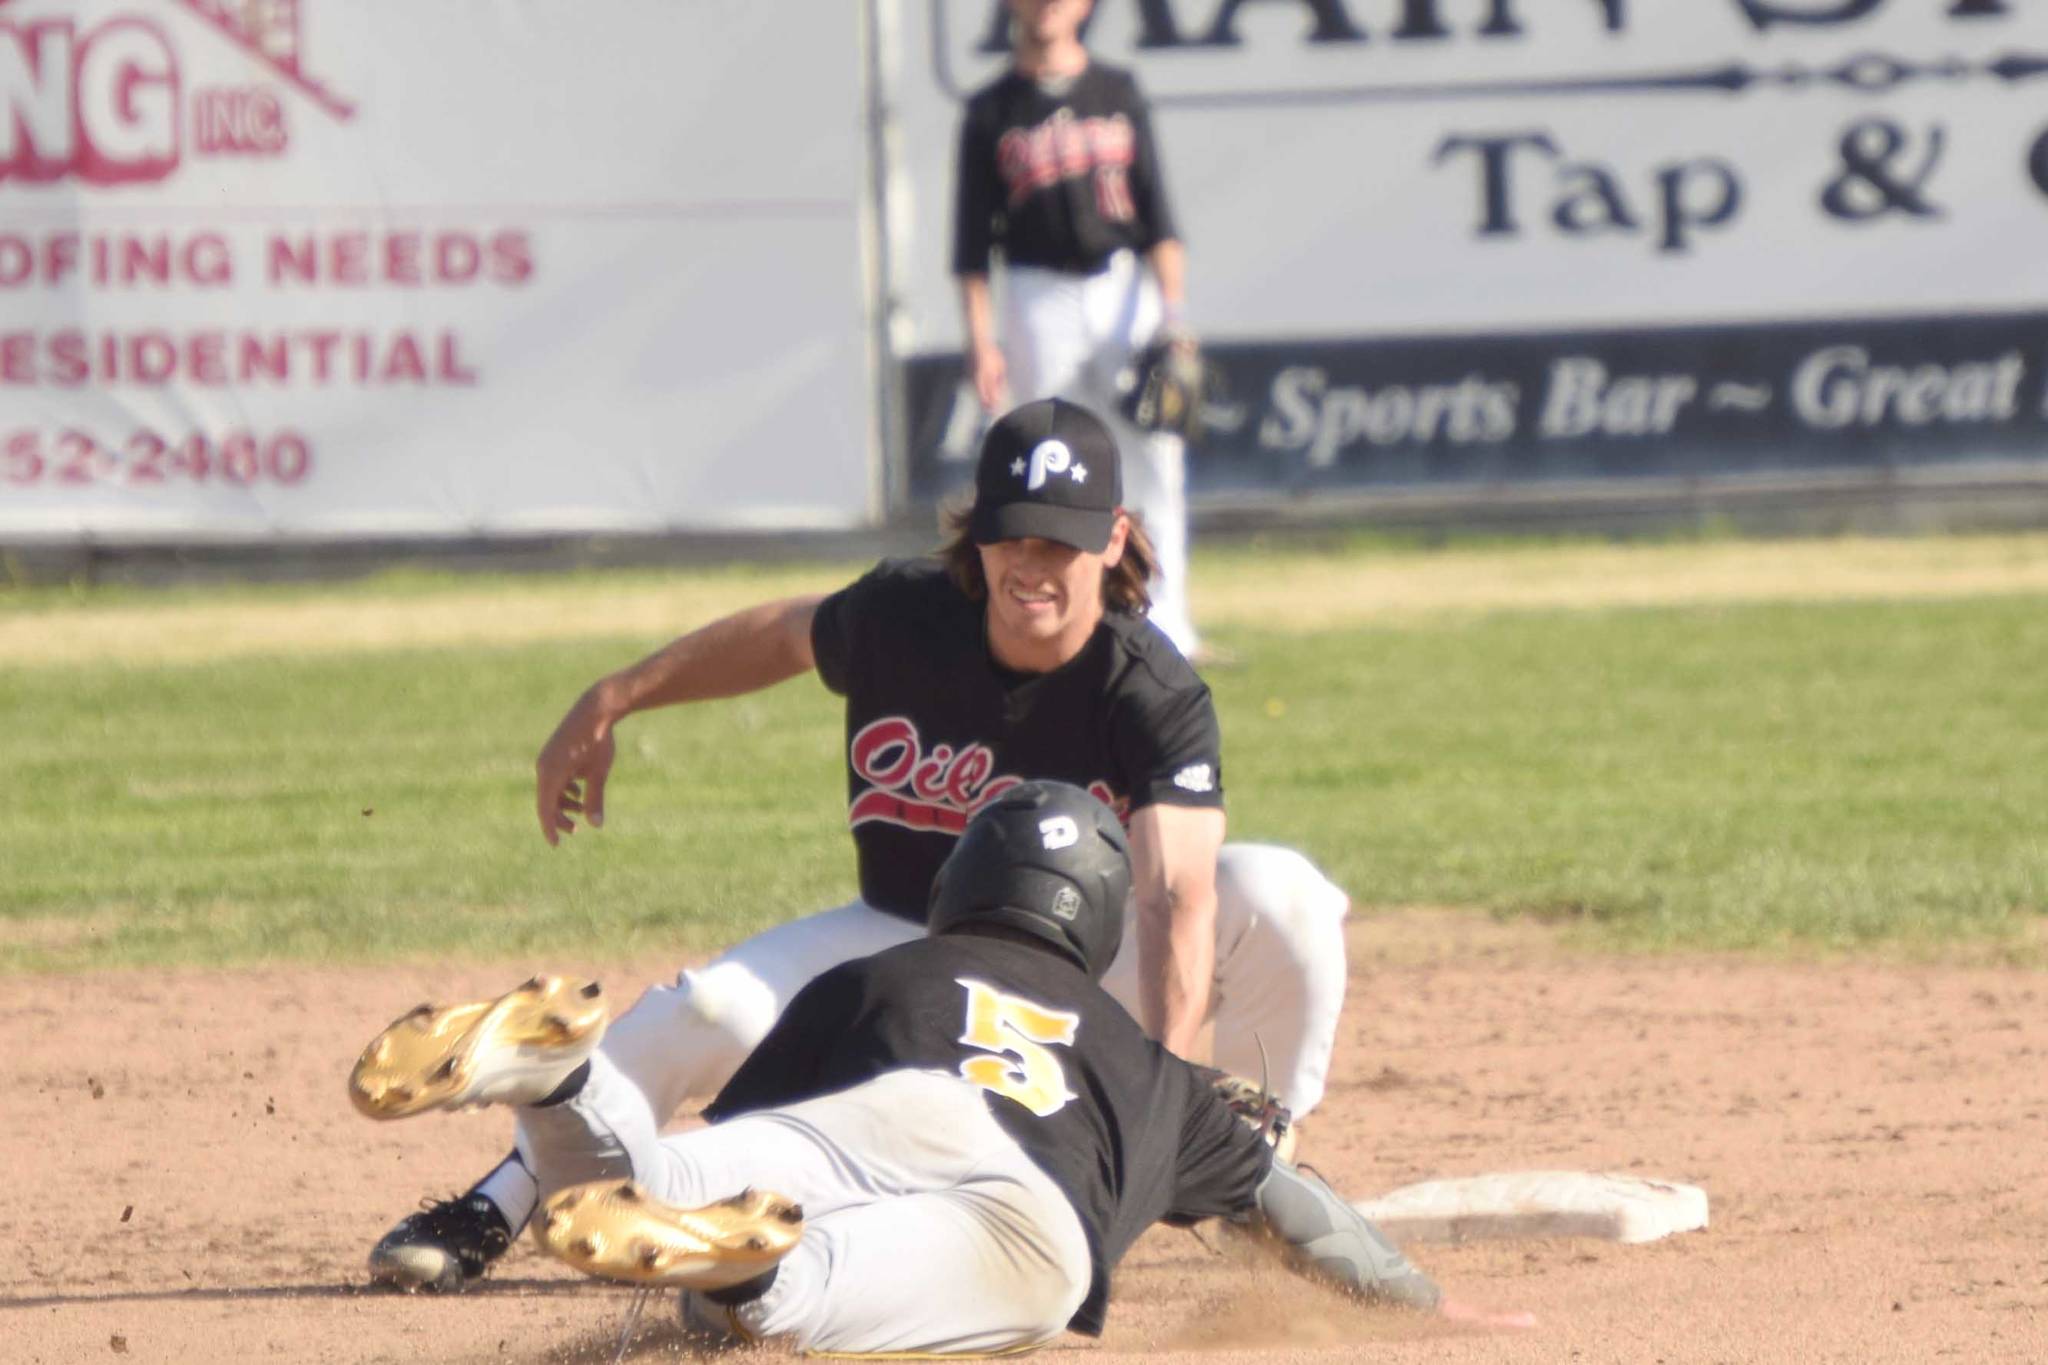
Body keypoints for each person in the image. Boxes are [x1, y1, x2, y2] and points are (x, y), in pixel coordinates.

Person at [364, 398, 1351, 1293]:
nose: (1033, 564)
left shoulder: (1148, 690)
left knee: (1282, 892)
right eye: (1014, 536)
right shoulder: (905, 617)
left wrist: (1155, 1094)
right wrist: (615, 695)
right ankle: (499, 1200)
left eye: (1063, 541)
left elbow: (1174, 896)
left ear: (1113, 541)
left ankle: (1252, 1153)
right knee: (701, 1009)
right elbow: (781, 637)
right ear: (980, 535)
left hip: (1072, 974)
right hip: (895, 936)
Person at [351, 784, 1528, 1353]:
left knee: (663, 1169)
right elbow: (1297, 1209)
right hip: (1026, 1210)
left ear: (961, 888)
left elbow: (735, 1138)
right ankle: (754, 1283)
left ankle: (562, 1083)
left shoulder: (874, 979)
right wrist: (1421, 1300)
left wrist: (683, 1181)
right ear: (1097, 925)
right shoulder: (1150, 1070)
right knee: (798, 1291)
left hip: (877, 1106)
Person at [954, 0, 1205, 657]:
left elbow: (1160, 220)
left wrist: (1174, 319)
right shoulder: (991, 111)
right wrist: (982, 341)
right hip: (1037, 291)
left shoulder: (1117, 91)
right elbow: (972, 249)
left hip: (1124, 285)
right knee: (1045, 454)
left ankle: (1168, 621)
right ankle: (1046, 621)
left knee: (1155, 456)